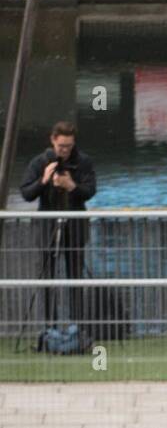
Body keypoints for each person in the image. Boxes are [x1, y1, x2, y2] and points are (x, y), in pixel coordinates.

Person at [20, 121, 97, 327]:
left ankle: (78, 326)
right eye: (61, 146)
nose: (64, 151)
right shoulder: (40, 162)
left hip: (75, 226)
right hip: (47, 227)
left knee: (75, 278)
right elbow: (26, 193)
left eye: (69, 146)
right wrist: (44, 180)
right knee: (47, 279)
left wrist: (72, 186)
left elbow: (90, 191)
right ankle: (49, 327)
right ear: (53, 140)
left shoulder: (83, 162)